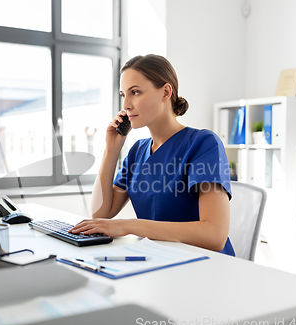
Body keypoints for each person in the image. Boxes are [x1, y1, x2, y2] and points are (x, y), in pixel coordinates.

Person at [70, 54, 235, 256]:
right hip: (159, 260)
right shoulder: (137, 151)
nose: (126, 105)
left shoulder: (203, 144)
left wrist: (130, 226)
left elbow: (214, 235)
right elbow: (100, 213)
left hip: (206, 265)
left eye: (136, 92)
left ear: (165, 92)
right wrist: (111, 150)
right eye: (124, 95)